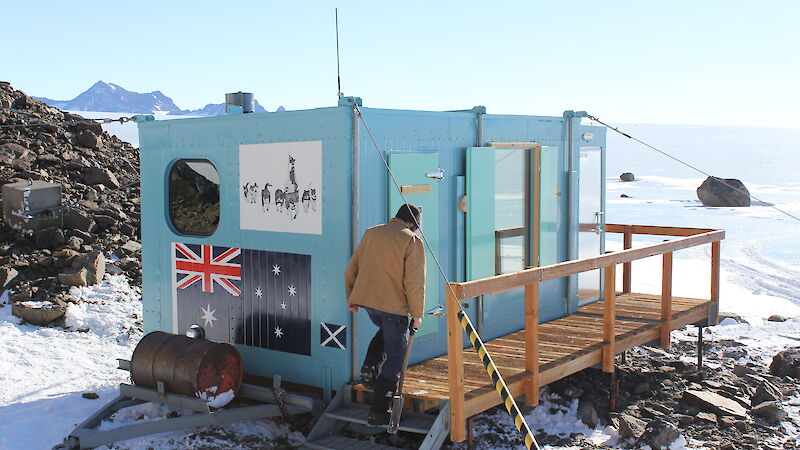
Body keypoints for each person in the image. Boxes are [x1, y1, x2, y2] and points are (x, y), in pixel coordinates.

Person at [345, 203, 426, 425]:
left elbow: (353, 266)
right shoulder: (411, 240)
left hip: (370, 304)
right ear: (412, 223)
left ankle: (370, 364)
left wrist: (351, 297)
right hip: (392, 308)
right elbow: (414, 282)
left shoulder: (372, 233)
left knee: (388, 331)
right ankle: (379, 411)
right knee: (396, 358)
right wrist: (417, 314)